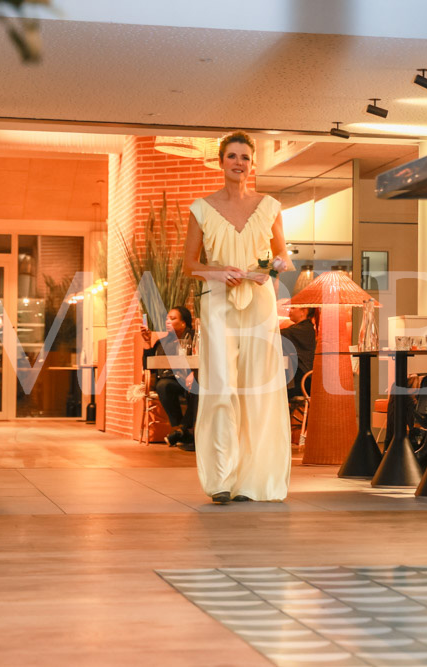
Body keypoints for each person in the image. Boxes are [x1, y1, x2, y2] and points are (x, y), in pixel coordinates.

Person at [183, 131, 292, 505]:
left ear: (253, 163)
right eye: (232, 156)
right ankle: (220, 479)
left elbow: (282, 256)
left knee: (258, 388)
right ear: (220, 161)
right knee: (221, 386)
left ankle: (253, 480)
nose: (239, 162)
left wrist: (269, 270)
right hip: (218, 302)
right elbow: (189, 264)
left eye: (245, 157)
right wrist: (217, 271)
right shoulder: (201, 208)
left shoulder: (270, 206)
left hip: (259, 301)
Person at [141, 306, 198, 451]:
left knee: (198, 387)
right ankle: (180, 430)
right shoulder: (164, 342)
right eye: (167, 318)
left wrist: (193, 372)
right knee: (163, 385)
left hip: (192, 380)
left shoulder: (194, 337)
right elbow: (148, 365)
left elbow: (201, 357)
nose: (168, 321)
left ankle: (182, 430)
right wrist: (147, 342)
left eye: (172, 319)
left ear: (183, 323)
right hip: (173, 380)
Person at [280, 306, 316, 400]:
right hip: (299, 379)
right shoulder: (300, 328)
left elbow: (279, 334)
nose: (290, 310)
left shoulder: (304, 330)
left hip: (303, 381)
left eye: (293, 308)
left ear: (304, 311)